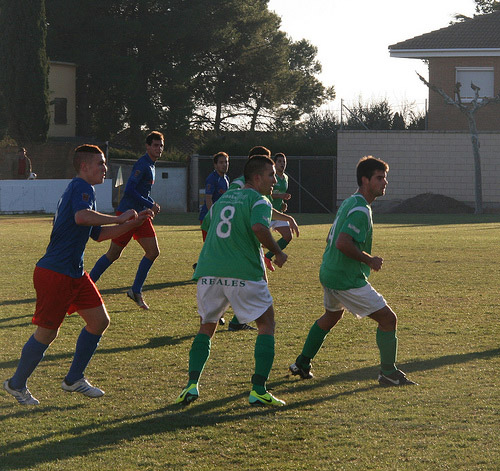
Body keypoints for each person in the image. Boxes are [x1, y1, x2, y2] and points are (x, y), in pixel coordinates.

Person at [3, 145, 153, 406]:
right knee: (47, 333)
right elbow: (82, 217)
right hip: (56, 272)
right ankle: (16, 384)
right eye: (100, 163)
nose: (105, 168)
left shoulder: (85, 191)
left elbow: (98, 235)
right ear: (84, 166)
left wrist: (132, 223)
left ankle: (73, 379)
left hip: (74, 273)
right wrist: (119, 219)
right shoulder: (81, 187)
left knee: (99, 321)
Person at [289, 156, 417, 387]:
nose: (385, 182)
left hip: (329, 271)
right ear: (365, 180)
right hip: (344, 278)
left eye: (385, 178)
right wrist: (369, 260)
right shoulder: (360, 209)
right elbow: (342, 242)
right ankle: (389, 373)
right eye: (379, 178)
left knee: (331, 316)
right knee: (388, 319)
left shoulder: (351, 201)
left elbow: (334, 239)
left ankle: (302, 363)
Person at [175, 155, 288, 407]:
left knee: (207, 325)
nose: (275, 180)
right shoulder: (259, 200)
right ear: (256, 178)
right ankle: (258, 389)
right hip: (242, 272)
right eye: (271, 175)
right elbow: (259, 228)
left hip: (209, 271)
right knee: (266, 323)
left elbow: (208, 223)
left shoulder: (224, 198)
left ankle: (191, 385)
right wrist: (277, 252)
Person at [226, 146, 300, 332]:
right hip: (238, 242)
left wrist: (287, 217)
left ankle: (236, 321)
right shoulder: (239, 184)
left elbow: (262, 207)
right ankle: (235, 319)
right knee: (242, 285)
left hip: (248, 241)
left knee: (259, 282)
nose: (272, 171)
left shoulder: (259, 192)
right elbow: (227, 205)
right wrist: (277, 252)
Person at [89, 131, 163, 310]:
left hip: (141, 215)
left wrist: (151, 204)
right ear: (147, 146)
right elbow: (129, 189)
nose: (159, 149)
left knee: (153, 251)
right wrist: (150, 204)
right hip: (129, 214)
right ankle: (86, 287)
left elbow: (142, 192)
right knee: (113, 254)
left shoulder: (151, 165)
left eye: (161, 145)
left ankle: (135, 291)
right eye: (155, 145)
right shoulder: (143, 164)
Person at [264, 152, 293, 272]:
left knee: (288, 236)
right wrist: (281, 196)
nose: (282, 164)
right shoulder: (271, 177)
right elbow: (267, 194)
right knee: (260, 240)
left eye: (284, 161)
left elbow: (280, 195)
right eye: (280, 161)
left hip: (278, 213)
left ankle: (267, 257)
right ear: (274, 163)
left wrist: (282, 204)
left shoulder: (285, 178)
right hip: (267, 212)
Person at [198, 151, 230, 241]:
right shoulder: (212, 179)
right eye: (221, 162)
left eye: (226, 162)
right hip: (209, 216)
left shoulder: (226, 179)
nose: (224, 165)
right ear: (215, 165)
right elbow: (208, 199)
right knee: (209, 244)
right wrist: (214, 216)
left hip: (221, 216)